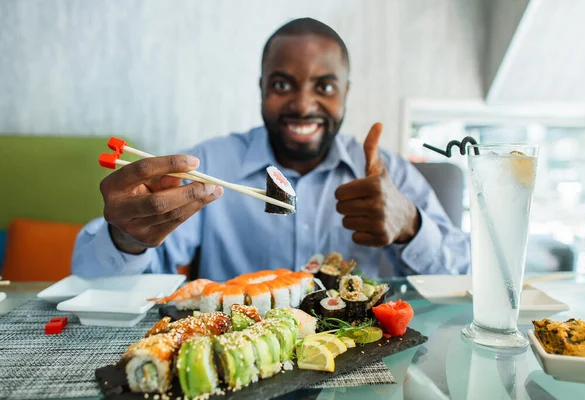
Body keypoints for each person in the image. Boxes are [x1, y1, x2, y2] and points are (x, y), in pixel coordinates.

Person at [72, 18, 470, 281]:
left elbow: (469, 276)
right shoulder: (208, 165)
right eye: (282, 85)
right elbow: (96, 279)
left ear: (346, 94)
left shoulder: (390, 175)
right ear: (261, 88)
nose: (302, 104)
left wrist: (412, 227)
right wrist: (127, 239)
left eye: (324, 87)